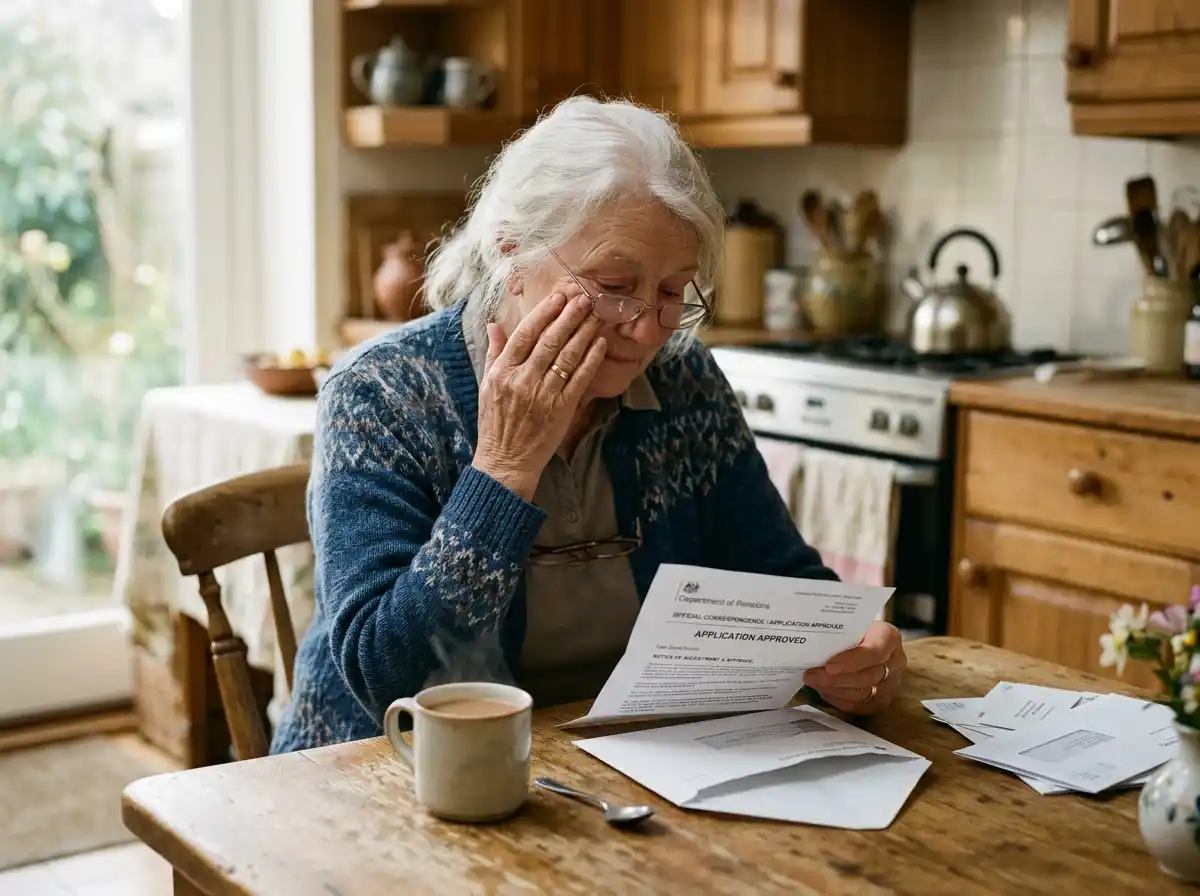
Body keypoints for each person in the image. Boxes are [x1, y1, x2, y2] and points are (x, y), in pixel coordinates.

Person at [270, 96, 907, 753]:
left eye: (671, 291)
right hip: (388, 774)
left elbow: (783, 582)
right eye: (614, 283)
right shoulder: (381, 393)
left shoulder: (683, 381)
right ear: (511, 253)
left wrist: (851, 653)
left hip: (615, 765)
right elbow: (386, 680)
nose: (647, 327)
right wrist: (504, 471)